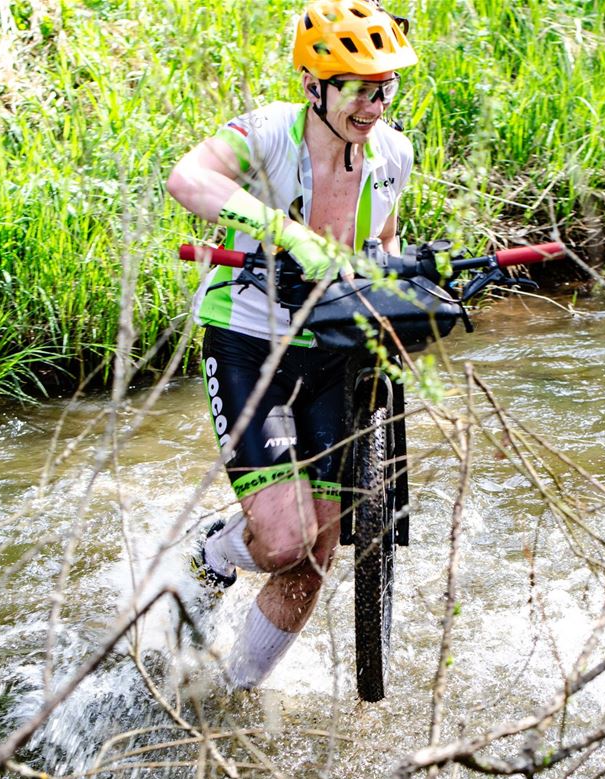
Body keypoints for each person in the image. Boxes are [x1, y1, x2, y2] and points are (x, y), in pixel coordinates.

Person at [165, 0, 417, 688]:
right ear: (315, 87)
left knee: (315, 555)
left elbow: (384, 242)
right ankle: (217, 553)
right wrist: (285, 229)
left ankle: (229, 695)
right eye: (361, 88)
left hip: (333, 350)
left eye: (385, 86)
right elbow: (188, 179)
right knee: (281, 540)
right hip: (250, 341)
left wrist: (396, 294)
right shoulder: (269, 134)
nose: (376, 104)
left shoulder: (392, 153)